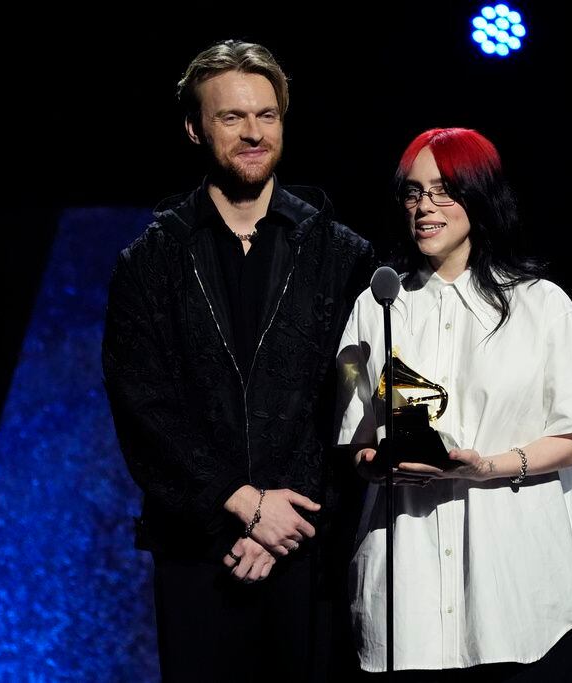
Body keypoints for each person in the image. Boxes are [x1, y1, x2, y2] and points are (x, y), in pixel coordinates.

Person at [102, 39, 374, 681]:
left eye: (266, 115)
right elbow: (143, 406)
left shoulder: (344, 256)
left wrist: (288, 516)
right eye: (232, 117)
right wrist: (242, 502)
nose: (253, 132)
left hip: (312, 549)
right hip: (199, 552)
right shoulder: (148, 262)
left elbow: (354, 399)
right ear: (195, 129)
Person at [336, 127, 572, 681]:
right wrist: (380, 466)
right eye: (414, 192)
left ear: (480, 195)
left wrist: (488, 467)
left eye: (443, 190)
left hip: (519, 603)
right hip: (407, 608)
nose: (424, 206)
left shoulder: (541, 306)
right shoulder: (375, 309)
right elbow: (354, 440)